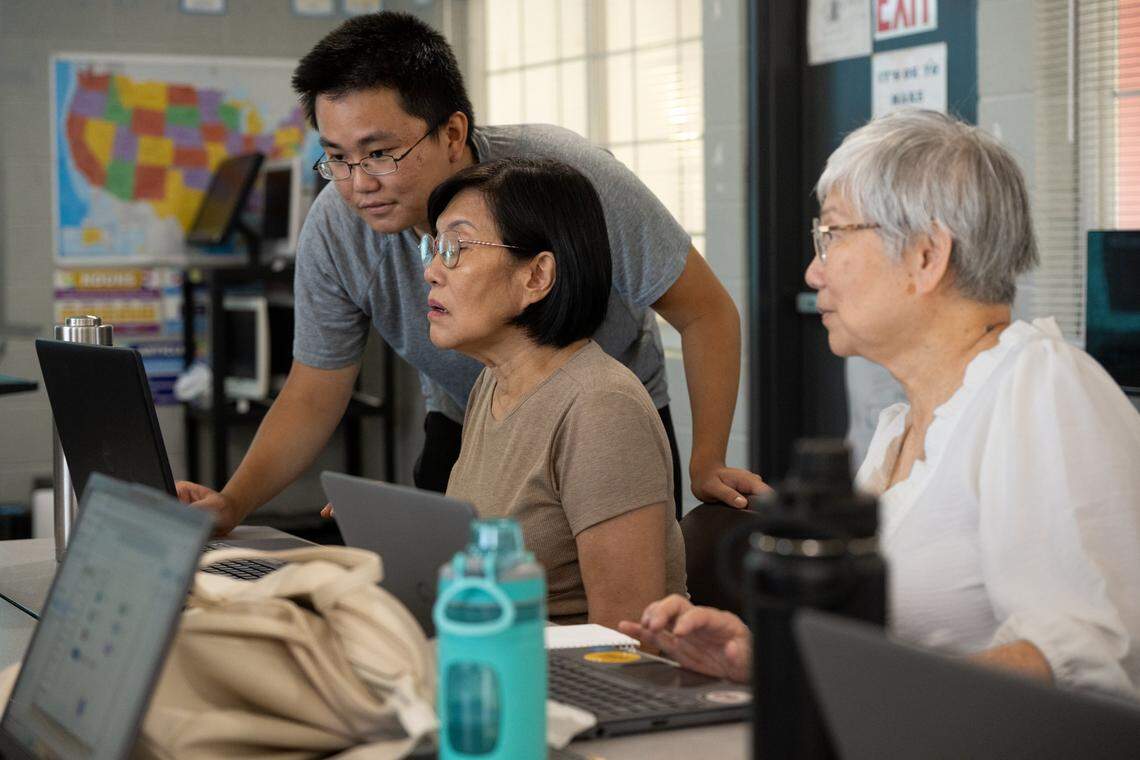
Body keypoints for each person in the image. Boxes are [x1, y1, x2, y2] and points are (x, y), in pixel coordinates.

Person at [175, 11, 764, 531]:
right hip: (468, 415)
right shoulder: (337, 227)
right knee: (431, 584)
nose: (358, 183)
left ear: (452, 133)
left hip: (600, 414)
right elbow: (313, 391)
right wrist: (232, 504)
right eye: (336, 156)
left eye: (380, 153)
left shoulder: (566, 179)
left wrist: (706, 460)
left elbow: (706, 311)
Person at [621, 110, 1140, 698]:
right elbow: (872, 657)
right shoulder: (899, 429)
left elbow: (1097, 656)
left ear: (926, 256)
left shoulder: (1042, 387)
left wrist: (874, 685)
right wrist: (765, 660)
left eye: (833, 235)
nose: (814, 270)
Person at [415, 157, 685, 628]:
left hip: (568, 686)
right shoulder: (492, 384)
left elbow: (627, 638)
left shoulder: (600, 407)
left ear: (536, 277)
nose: (432, 272)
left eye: (455, 248)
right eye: (434, 248)